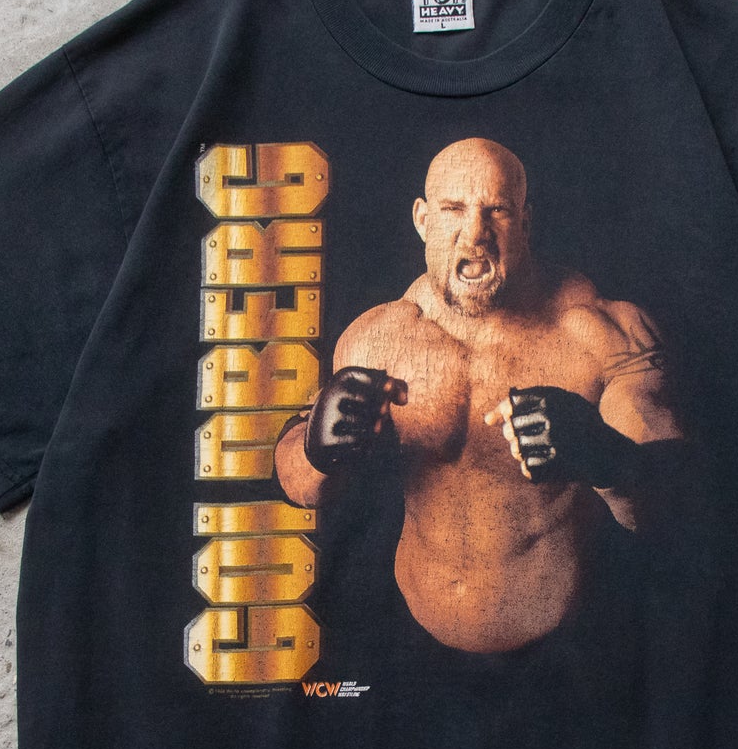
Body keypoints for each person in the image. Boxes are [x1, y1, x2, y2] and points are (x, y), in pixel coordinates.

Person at [273, 136, 687, 655]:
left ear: (525, 223)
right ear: (422, 219)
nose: (474, 235)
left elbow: (677, 508)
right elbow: (303, 489)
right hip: (411, 636)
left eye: (498, 211)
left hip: (570, 649)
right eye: (453, 209)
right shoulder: (377, 339)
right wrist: (315, 452)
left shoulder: (600, 333)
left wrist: (607, 457)